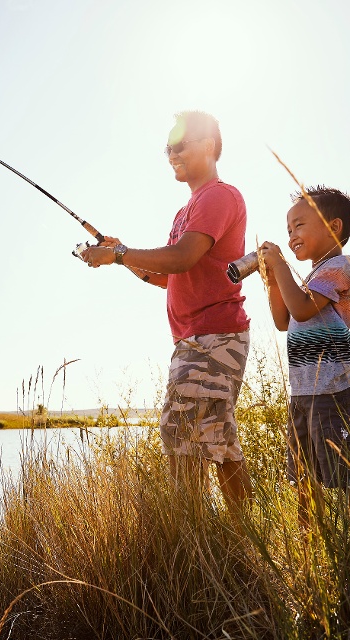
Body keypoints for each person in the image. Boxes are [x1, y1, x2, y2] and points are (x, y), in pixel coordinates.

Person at [82, 110, 253, 513]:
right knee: (213, 437)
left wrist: (119, 254)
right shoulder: (188, 209)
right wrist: (120, 255)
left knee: (183, 435)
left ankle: (203, 537)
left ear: (208, 146)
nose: (171, 153)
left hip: (213, 335)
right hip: (196, 339)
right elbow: (171, 274)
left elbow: (180, 258)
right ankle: (238, 537)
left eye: (180, 145)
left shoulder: (219, 196)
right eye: (167, 148)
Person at [259, 187, 350, 527]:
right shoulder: (311, 277)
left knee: (342, 476)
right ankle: (310, 548)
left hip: (334, 395)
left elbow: (301, 308)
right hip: (303, 396)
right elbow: (284, 320)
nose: (292, 235)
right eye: (288, 230)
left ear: (334, 226)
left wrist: (280, 264)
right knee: (304, 479)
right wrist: (272, 281)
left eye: (299, 225)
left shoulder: (339, 267)